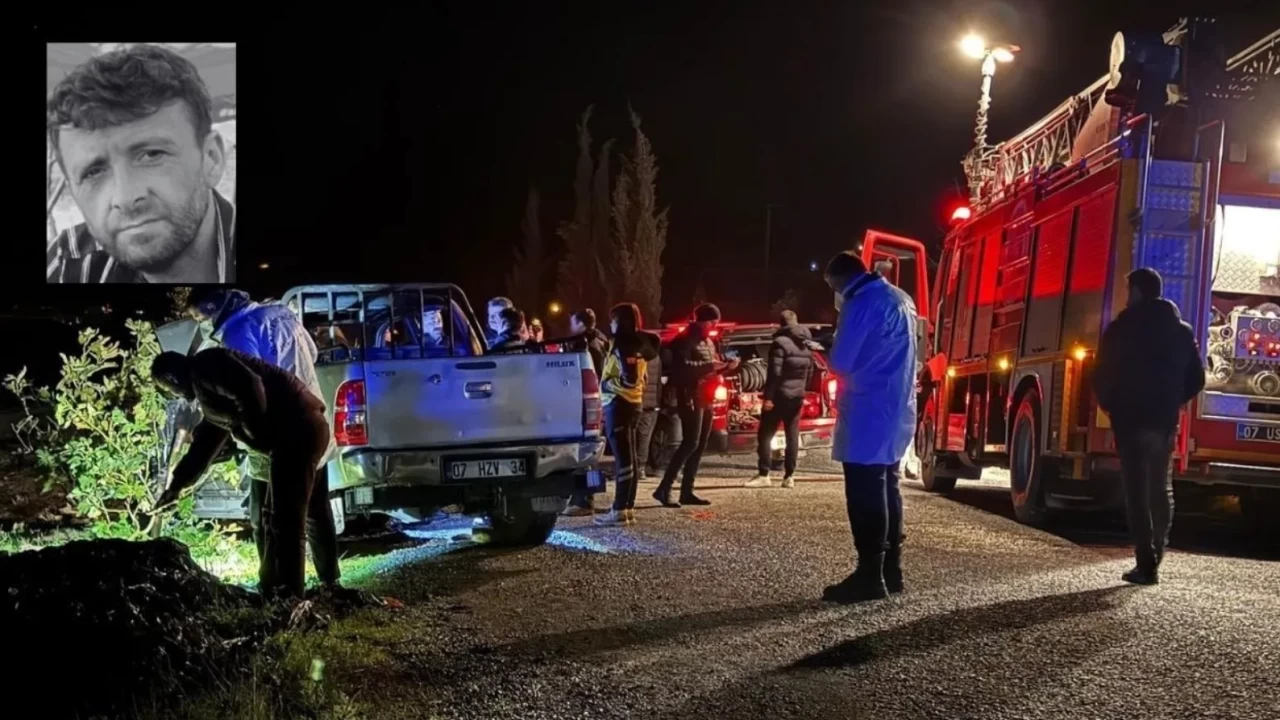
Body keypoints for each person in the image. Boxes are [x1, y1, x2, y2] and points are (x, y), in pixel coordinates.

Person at [186, 289, 341, 593]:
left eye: (197, 316)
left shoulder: (236, 332)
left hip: (278, 435)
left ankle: (275, 586)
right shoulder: (280, 314)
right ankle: (329, 580)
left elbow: (245, 387)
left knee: (269, 518)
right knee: (315, 509)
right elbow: (312, 352)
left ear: (211, 308)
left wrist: (251, 433)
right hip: (314, 420)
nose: (199, 324)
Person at [152, 348, 331, 601]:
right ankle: (273, 592)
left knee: (287, 523)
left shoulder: (207, 364)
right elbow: (205, 444)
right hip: (290, 436)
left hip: (298, 431)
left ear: (172, 379)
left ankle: (291, 598)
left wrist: (256, 430)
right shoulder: (207, 390)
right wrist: (176, 486)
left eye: (170, 390)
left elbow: (250, 384)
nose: (177, 396)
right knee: (274, 520)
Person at [47, 44, 235, 284]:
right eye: (93, 172)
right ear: (73, 190)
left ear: (211, 159)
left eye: (152, 155)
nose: (125, 198)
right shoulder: (66, 267)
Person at [1094, 268, 1205, 585]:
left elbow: (1101, 373)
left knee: (1136, 491)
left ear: (1139, 291)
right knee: (1159, 488)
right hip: (1162, 421)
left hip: (1129, 421)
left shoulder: (1120, 329)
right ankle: (1158, 549)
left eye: (1130, 289)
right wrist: (1173, 401)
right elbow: (1197, 379)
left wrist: (1112, 405)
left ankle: (1146, 563)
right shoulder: (1181, 331)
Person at [821, 251, 917, 604]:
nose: (835, 295)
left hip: (868, 407)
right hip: (896, 406)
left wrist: (827, 352)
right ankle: (891, 570)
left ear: (841, 279)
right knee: (888, 485)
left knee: (864, 490)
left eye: (832, 286)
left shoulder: (860, 303)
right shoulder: (900, 298)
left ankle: (868, 576)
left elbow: (842, 361)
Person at [654, 303, 739, 508]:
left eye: (715, 322)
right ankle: (664, 488)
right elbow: (682, 369)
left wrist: (727, 366)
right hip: (690, 396)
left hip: (707, 396)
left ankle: (687, 491)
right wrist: (711, 366)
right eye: (711, 321)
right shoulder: (684, 340)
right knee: (690, 442)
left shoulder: (709, 341)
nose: (714, 325)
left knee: (700, 444)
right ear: (700, 320)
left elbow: (710, 367)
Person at [594, 304, 661, 527]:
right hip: (635, 404)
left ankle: (619, 508)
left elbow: (629, 377)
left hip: (618, 404)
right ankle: (627, 508)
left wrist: (606, 383)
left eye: (613, 320)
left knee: (623, 460)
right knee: (630, 458)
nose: (611, 324)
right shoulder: (641, 343)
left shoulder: (623, 344)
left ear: (620, 321)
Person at [746, 310, 816, 489]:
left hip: (779, 397)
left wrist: (768, 397)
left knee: (765, 434)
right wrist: (803, 390)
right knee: (792, 435)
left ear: (781, 324)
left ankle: (764, 474)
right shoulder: (806, 344)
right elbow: (810, 371)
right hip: (797, 397)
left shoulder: (779, 343)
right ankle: (789, 476)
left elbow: (774, 373)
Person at [636, 334, 664, 478]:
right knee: (646, 437)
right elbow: (658, 382)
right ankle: (644, 466)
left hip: (640, 401)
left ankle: (639, 467)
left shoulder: (640, 359)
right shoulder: (656, 358)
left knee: (639, 437)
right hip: (652, 404)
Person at [570, 309, 609, 375]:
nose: (571, 327)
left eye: (572, 323)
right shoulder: (601, 338)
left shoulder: (581, 343)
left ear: (580, 324)